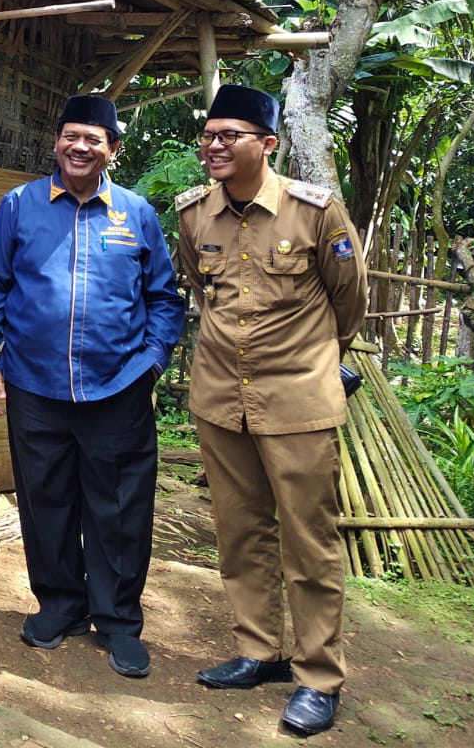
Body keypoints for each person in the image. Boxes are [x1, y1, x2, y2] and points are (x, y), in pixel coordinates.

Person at [0, 93, 185, 679]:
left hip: (118, 387)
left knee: (120, 507)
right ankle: (61, 605)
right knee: (46, 499)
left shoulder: (136, 213)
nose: (80, 147)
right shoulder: (20, 205)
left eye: (93, 139)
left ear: (112, 149)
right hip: (33, 384)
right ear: (56, 142)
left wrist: (152, 361)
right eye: (71, 136)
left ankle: (118, 622)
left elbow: (164, 297)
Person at [176, 84, 368, 737]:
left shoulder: (316, 211)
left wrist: (310, 362)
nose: (214, 145)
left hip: (298, 402)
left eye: (229, 135)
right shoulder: (195, 214)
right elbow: (202, 288)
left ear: (268, 144)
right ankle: (258, 650)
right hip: (220, 399)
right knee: (239, 531)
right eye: (209, 135)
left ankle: (319, 677)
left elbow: (348, 302)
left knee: (309, 541)